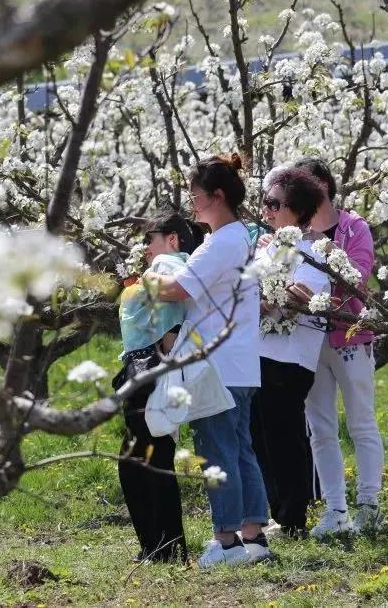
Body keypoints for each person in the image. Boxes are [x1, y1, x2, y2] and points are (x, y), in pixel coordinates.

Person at [146, 153, 269, 569]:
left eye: (195, 196)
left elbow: (177, 289)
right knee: (240, 449)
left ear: (217, 196)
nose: (192, 203)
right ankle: (253, 537)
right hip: (240, 362)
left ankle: (227, 542)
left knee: (218, 451)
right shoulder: (240, 239)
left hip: (216, 364)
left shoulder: (225, 241)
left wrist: (145, 277)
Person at [295, 158, 384, 538]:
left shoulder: (354, 228)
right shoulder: (291, 234)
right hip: (308, 340)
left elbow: (359, 278)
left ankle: (369, 505)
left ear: (326, 186)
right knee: (321, 429)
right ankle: (335, 509)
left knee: (361, 422)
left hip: (350, 336)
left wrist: (325, 252)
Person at [114, 212, 203, 563]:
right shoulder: (183, 264)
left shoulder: (167, 261)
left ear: (173, 239)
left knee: (140, 462)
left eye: (150, 239)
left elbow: (173, 316)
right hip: (156, 368)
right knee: (153, 458)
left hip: (146, 369)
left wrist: (163, 350)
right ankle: (165, 546)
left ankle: (161, 547)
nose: (145, 248)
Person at [250, 168, 330, 537]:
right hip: (260, 355)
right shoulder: (271, 250)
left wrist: (277, 298)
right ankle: (277, 513)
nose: (265, 211)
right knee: (261, 437)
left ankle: (292, 518)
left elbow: (303, 300)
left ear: (296, 210)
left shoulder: (312, 256)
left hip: (290, 360)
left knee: (284, 438)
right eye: (265, 202)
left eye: (273, 204)